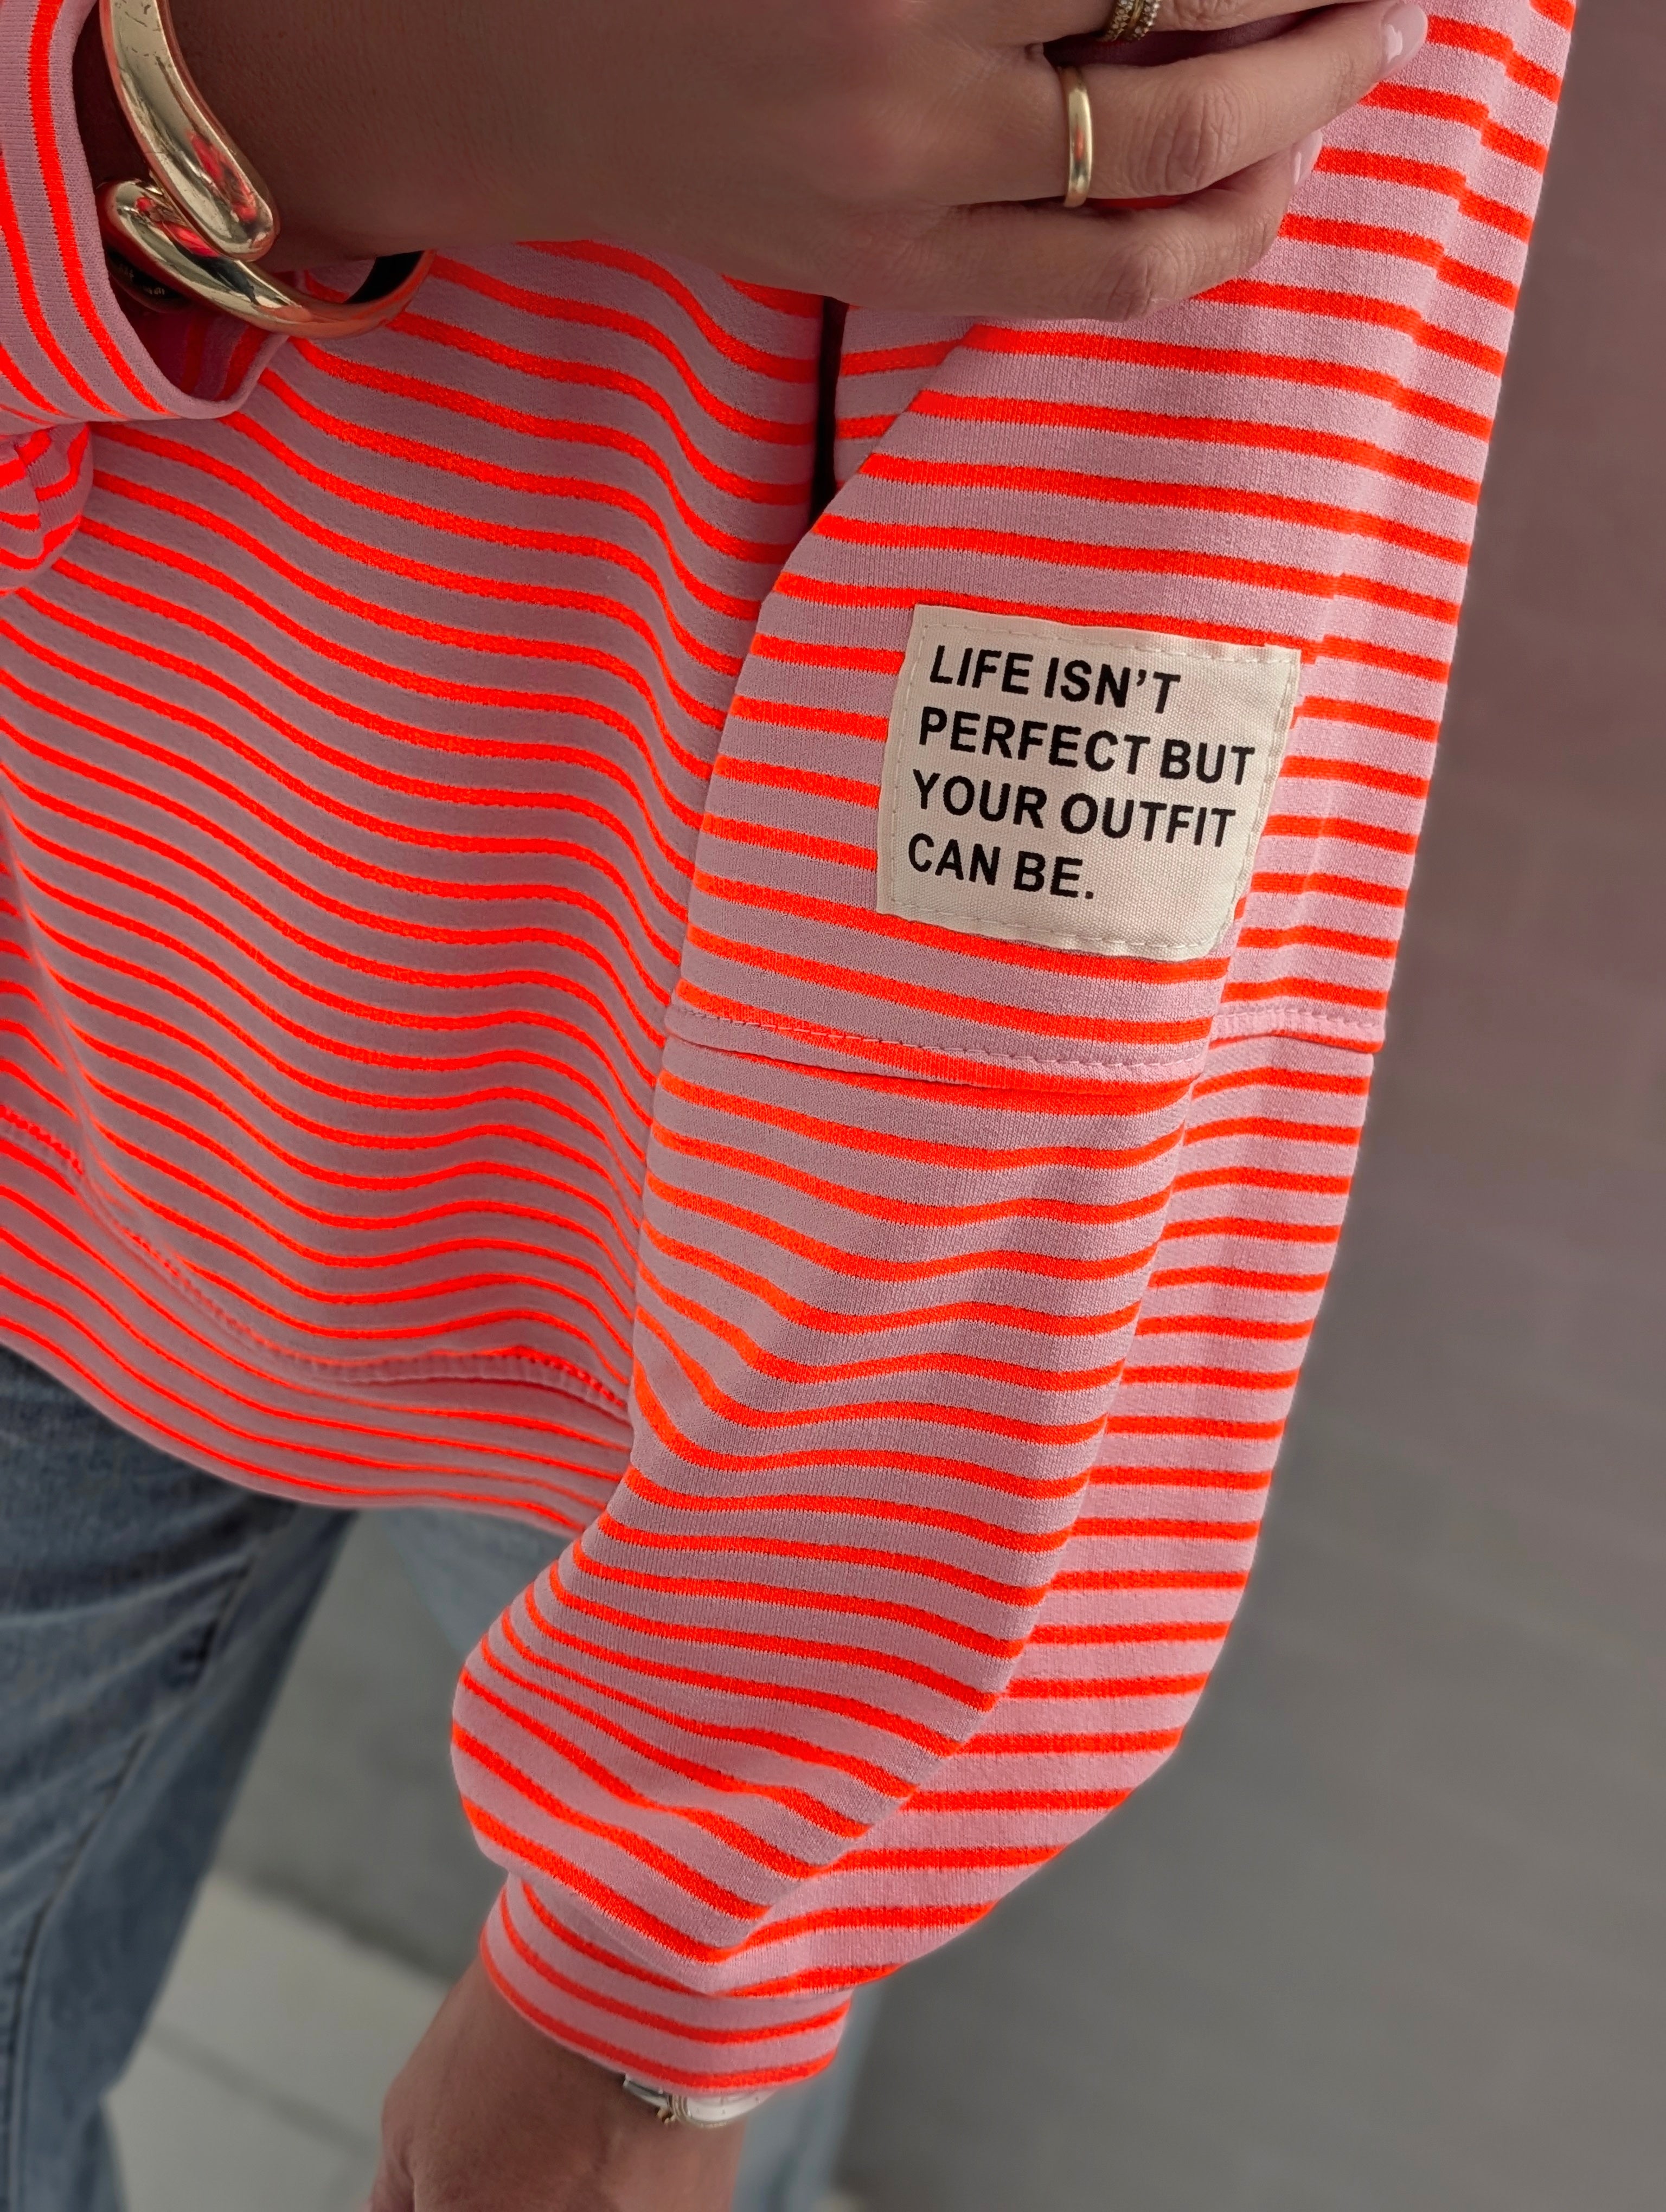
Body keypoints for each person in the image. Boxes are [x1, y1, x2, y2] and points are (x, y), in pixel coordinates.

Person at [0, 1, 1571, 2207]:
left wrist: (658, 1988)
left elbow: (1072, 807)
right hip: (65, 1068)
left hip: (699, 1317)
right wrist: (275, 94)